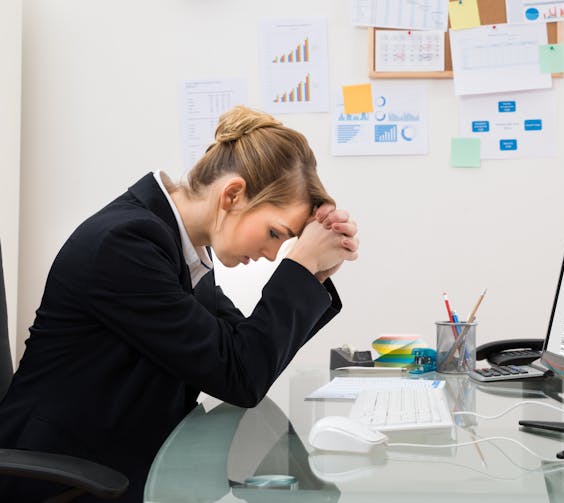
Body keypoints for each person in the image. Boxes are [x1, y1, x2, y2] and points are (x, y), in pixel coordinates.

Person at [0, 106, 359, 502]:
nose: (273, 254)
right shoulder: (125, 246)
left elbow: (243, 351)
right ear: (233, 194)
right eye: (276, 233)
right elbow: (241, 374)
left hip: (128, 463)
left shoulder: (177, 246)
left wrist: (315, 274)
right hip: (64, 480)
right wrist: (302, 267)